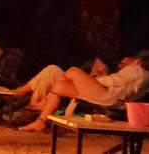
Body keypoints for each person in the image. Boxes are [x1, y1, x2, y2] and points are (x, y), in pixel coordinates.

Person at [19, 52, 149, 132]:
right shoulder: (143, 76)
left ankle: (42, 103)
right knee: (60, 86)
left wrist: (95, 80)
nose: (124, 63)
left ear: (138, 61)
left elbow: (116, 83)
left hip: (107, 95)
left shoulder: (137, 70)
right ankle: (41, 121)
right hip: (109, 95)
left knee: (73, 71)